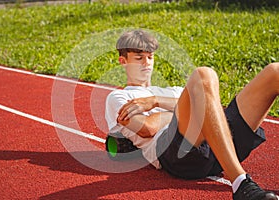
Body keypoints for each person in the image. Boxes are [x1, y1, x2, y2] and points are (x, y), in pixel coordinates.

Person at [105, 29, 279, 200]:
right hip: (178, 153)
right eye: (138, 58)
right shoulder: (119, 97)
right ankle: (241, 184)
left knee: (274, 71)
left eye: (150, 57)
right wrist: (186, 109)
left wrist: (156, 101)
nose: (146, 63)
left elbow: (213, 110)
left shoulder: (174, 91)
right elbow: (147, 128)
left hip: (222, 144)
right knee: (204, 74)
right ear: (123, 61)